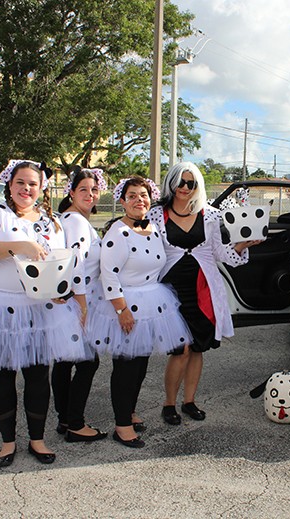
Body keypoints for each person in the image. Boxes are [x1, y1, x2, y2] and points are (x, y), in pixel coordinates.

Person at [0, 160, 85, 467]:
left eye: (33, 184)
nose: (26, 189)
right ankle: (7, 442)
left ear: (41, 188)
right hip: (0, 307)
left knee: (37, 376)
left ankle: (37, 440)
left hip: (39, 308)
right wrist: (21, 245)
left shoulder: (52, 221)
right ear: (9, 184)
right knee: (3, 376)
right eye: (20, 183)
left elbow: (59, 260)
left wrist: (61, 289)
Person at [147, 162, 260, 425]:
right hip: (170, 290)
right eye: (181, 182)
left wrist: (243, 245)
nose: (185, 188)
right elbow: (148, 253)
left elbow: (219, 252)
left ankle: (189, 401)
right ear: (171, 183)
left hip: (203, 289)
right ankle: (168, 403)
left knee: (197, 347)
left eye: (192, 183)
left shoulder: (208, 215)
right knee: (180, 349)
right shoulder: (156, 215)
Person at [94, 176, 191, 447]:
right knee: (126, 367)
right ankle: (121, 426)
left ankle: (130, 412)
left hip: (152, 302)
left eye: (144, 195)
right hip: (126, 305)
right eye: (132, 195)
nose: (139, 200)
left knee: (140, 365)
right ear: (122, 200)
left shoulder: (153, 228)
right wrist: (121, 309)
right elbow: (108, 275)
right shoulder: (117, 232)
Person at [51, 167, 107, 442]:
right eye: (83, 189)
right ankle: (74, 422)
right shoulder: (75, 221)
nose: (90, 194)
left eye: (94, 190)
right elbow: (77, 266)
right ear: (71, 192)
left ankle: (65, 419)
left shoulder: (73, 219)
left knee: (65, 362)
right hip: (77, 301)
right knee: (87, 363)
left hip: (73, 300)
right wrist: (84, 308)